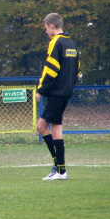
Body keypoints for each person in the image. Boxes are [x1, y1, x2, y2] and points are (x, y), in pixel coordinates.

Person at [36, 13, 81, 180]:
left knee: (55, 127)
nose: (46, 32)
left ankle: (61, 171)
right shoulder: (71, 43)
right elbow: (78, 70)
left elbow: (51, 69)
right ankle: (57, 166)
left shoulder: (55, 42)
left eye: (46, 28)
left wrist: (41, 90)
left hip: (56, 92)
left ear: (51, 26)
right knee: (41, 126)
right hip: (65, 91)